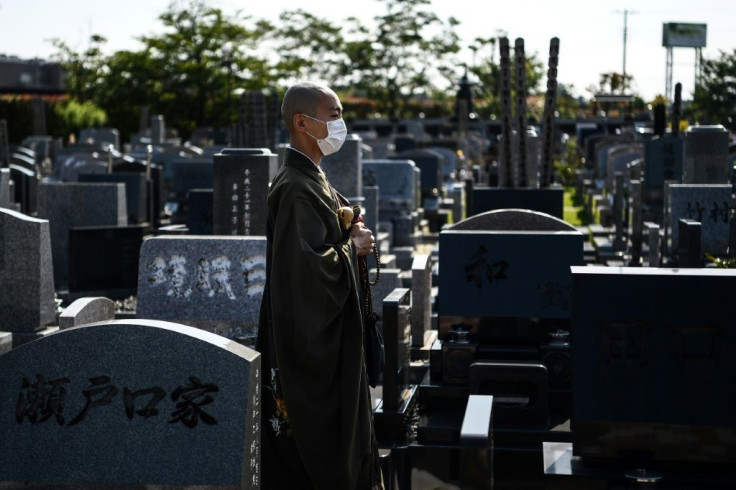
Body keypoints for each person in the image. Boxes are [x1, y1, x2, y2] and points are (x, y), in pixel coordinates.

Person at [256, 80, 382, 489]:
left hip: (325, 337)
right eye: (334, 115)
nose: (341, 123)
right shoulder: (295, 187)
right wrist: (354, 248)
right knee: (318, 455)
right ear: (302, 122)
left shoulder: (311, 178)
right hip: (309, 349)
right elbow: (307, 273)